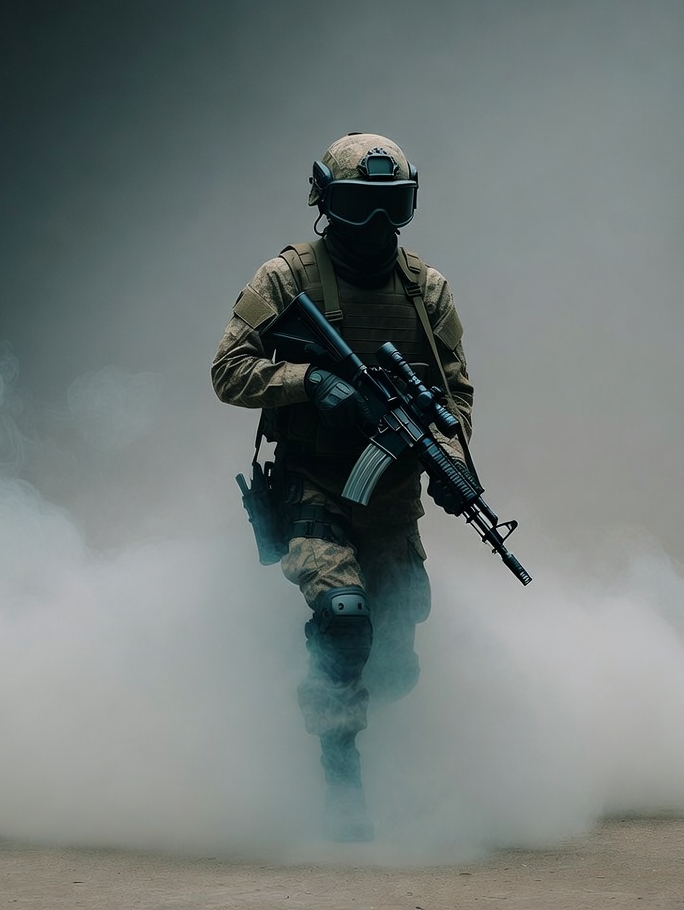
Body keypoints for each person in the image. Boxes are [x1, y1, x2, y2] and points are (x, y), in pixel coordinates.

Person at [211, 132, 474, 842]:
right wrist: (308, 380)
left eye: (393, 209)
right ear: (327, 205)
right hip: (315, 490)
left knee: (394, 661)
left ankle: (345, 707)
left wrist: (451, 463)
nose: (377, 227)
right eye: (359, 207)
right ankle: (339, 775)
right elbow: (228, 370)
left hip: (392, 499)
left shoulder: (427, 292)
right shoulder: (286, 280)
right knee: (345, 616)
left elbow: (455, 394)